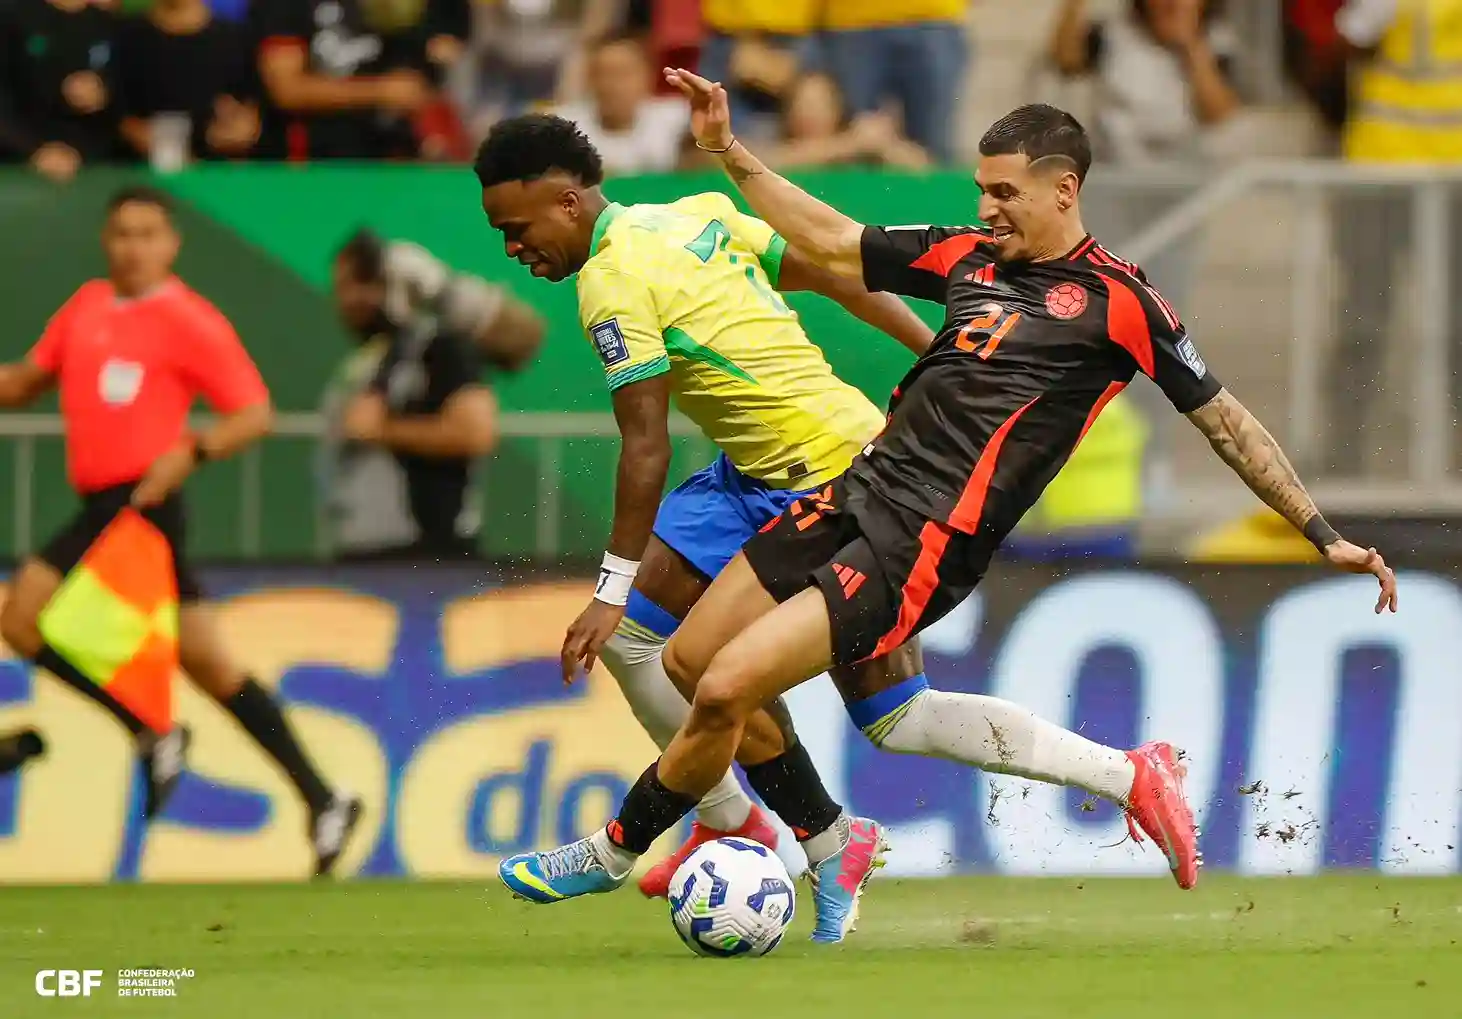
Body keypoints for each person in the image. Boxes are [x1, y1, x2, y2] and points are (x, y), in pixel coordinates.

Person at [498, 79, 1400, 914]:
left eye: (1004, 192)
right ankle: (1117, 779)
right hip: (852, 486)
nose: (985, 207)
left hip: (923, 534)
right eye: (981, 188)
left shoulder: (1122, 302)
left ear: (1064, 191)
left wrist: (1319, 530)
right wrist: (733, 153)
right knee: (706, 667)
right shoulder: (970, 258)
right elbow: (829, 242)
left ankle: (624, 852)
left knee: (733, 683)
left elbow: (1228, 422)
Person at [474, 113, 935, 941]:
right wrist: (927, 345)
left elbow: (644, 447)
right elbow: (838, 279)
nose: (512, 247)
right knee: (647, 646)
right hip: (745, 473)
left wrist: (607, 590)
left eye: (517, 228)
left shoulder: (609, 282)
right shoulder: (690, 213)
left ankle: (787, 834)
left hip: (821, 474)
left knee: (748, 679)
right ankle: (746, 819)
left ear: (568, 203)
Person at [0, 186, 363, 877]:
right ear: (107, 242)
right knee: (209, 663)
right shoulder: (86, 307)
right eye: (121, 233)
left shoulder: (189, 320)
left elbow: (253, 412)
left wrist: (192, 451)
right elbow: (24, 382)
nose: (132, 247)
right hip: (113, 505)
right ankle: (325, 796)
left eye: (147, 234)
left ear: (172, 244)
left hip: (140, 501)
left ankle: (148, 728)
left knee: (21, 618)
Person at [322, 228, 542, 561]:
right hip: (364, 549)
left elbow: (476, 433)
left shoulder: (440, 348)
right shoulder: (376, 358)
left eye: (352, 285)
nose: (344, 300)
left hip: (426, 553)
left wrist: (383, 431)